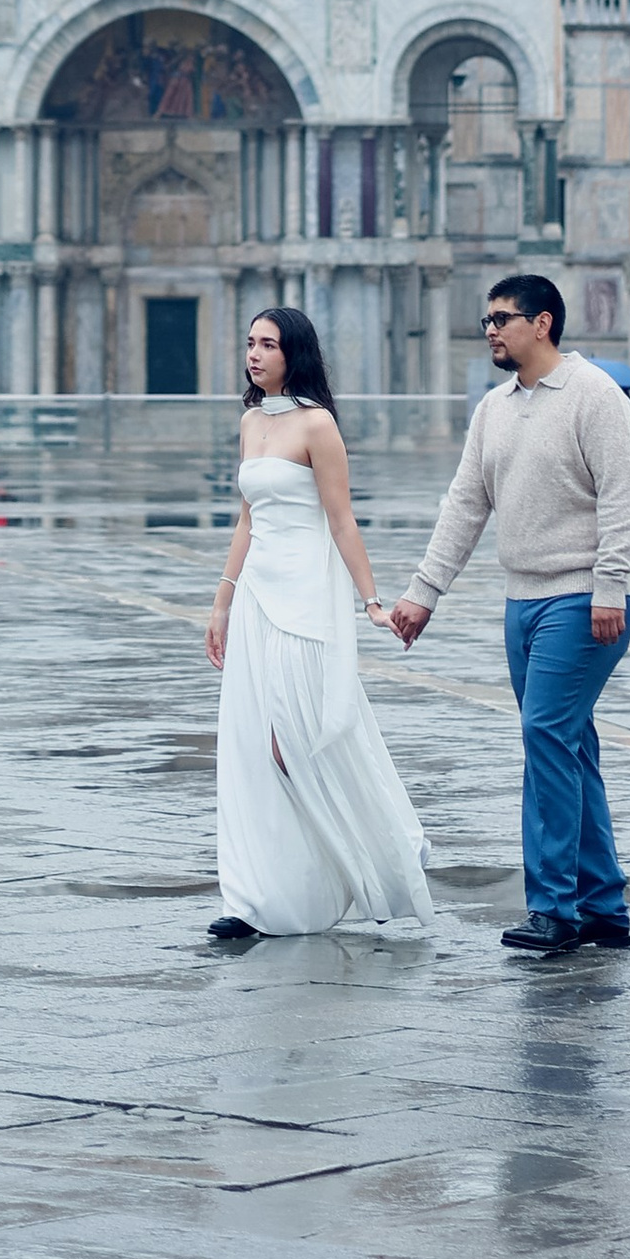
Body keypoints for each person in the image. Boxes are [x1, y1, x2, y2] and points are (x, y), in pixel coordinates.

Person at [387, 273, 630, 960]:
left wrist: (610, 589)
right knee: (569, 745)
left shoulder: (596, 397)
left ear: (544, 323)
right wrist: (422, 594)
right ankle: (604, 906)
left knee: (545, 740)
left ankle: (554, 908)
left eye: (504, 318)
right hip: (521, 600)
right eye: (487, 320)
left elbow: (622, 500)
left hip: (583, 599)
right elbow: (465, 505)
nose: (492, 330)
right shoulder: (494, 409)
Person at [204, 308, 434, 945]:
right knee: (254, 749)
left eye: (268, 344)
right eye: (249, 342)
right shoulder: (251, 421)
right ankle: (259, 898)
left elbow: (342, 521)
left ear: (293, 353)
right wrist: (222, 602)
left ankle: (374, 860)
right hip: (256, 598)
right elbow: (247, 521)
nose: (254, 354)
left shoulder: (318, 424)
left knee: (300, 741)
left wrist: (370, 603)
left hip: (307, 597)